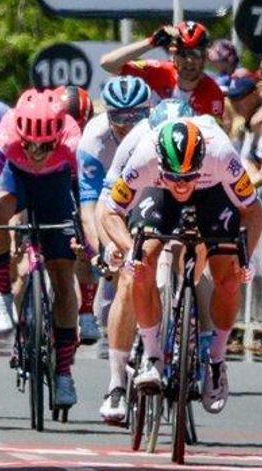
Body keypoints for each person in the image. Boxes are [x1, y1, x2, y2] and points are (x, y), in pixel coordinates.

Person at [99, 119, 262, 414]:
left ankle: (216, 360)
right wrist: (127, 250)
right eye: (175, 176)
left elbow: (253, 211)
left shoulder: (222, 155)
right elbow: (111, 212)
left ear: (201, 160)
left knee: (228, 277)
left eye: (189, 176)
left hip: (213, 194)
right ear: (161, 162)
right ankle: (151, 356)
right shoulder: (145, 158)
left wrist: (245, 257)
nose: (182, 184)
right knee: (144, 261)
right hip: (157, 193)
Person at [0, 88, 83, 408]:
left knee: (63, 279)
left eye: (45, 146)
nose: (36, 151)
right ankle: (3, 295)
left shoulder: (73, 139)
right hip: (15, 181)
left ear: (58, 136)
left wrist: (85, 239)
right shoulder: (6, 133)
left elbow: (86, 195)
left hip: (56, 188)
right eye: (29, 143)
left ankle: (63, 373)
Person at [95, 98, 195, 422]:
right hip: (146, 193)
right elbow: (107, 205)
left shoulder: (207, 141)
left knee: (203, 259)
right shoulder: (138, 145)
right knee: (130, 275)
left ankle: (202, 348)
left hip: (194, 190)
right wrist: (115, 245)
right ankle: (116, 384)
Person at [76, 76, 151, 349]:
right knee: (118, 272)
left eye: (136, 116)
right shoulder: (93, 140)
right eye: (119, 117)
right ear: (107, 113)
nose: (127, 125)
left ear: (149, 112)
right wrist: (102, 251)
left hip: (148, 194)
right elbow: (90, 207)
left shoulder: (157, 130)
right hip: (109, 202)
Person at [100, 20, 224, 119]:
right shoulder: (157, 71)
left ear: (205, 57)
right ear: (173, 54)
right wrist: (151, 42)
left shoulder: (213, 93)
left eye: (195, 54)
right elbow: (108, 63)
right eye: (183, 53)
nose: (189, 61)